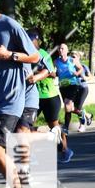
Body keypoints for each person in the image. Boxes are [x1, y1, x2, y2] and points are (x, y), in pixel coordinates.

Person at [0, 0, 39, 188]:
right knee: (5, 149)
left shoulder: (8, 25)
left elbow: (35, 57)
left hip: (10, 99)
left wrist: (9, 55)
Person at [27, 28, 73, 162]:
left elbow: (53, 73)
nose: (30, 44)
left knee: (54, 125)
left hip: (50, 97)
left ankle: (65, 149)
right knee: (28, 127)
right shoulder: (25, 55)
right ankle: (32, 155)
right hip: (33, 98)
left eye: (33, 41)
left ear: (37, 42)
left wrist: (39, 73)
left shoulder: (42, 54)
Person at [54, 44, 84, 133]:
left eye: (62, 48)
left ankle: (66, 127)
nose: (60, 50)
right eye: (59, 48)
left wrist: (77, 73)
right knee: (69, 108)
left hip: (73, 85)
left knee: (67, 106)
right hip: (62, 86)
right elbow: (55, 72)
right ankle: (82, 114)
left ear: (67, 51)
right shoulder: (56, 62)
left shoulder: (72, 60)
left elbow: (81, 68)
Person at [71, 51, 92, 130]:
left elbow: (90, 76)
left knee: (78, 108)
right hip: (74, 89)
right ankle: (88, 115)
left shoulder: (83, 66)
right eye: (71, 57)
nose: (72, 58)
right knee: (73, 108)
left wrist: (85, 78)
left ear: (78, 58)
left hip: (83, 88)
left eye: (74, 57)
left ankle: (82, 125)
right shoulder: (70, 67)